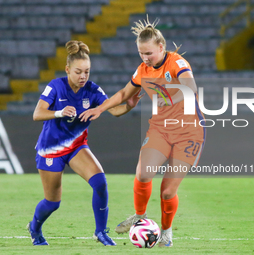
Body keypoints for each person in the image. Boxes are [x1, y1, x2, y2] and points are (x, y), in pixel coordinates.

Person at [80, 17, 206, 247]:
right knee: (144, 174)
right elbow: (123, 94)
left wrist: (170, 99)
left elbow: (191, 87)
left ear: (161, 47)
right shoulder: (142, 70)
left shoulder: (177, 62)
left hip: (189, 132)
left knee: (167, 192)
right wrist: (100, 108)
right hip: (160, 129)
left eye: (149, 53)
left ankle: (166, 232)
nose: (145, 58)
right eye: (141, 53)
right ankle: (139, 216)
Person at [27, 40, 141, 246]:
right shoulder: (55, 86)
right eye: (78, 72)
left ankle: (101, 232)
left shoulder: (92, 90)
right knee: (52, 203)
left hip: (77, 147)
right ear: (67, 69)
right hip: (50, 150)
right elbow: (37, 114)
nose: (83, 77)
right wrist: (60, 112)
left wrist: (129, 106)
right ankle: (34, 228)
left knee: (100, 183)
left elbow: (113, 110)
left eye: (87, 72)